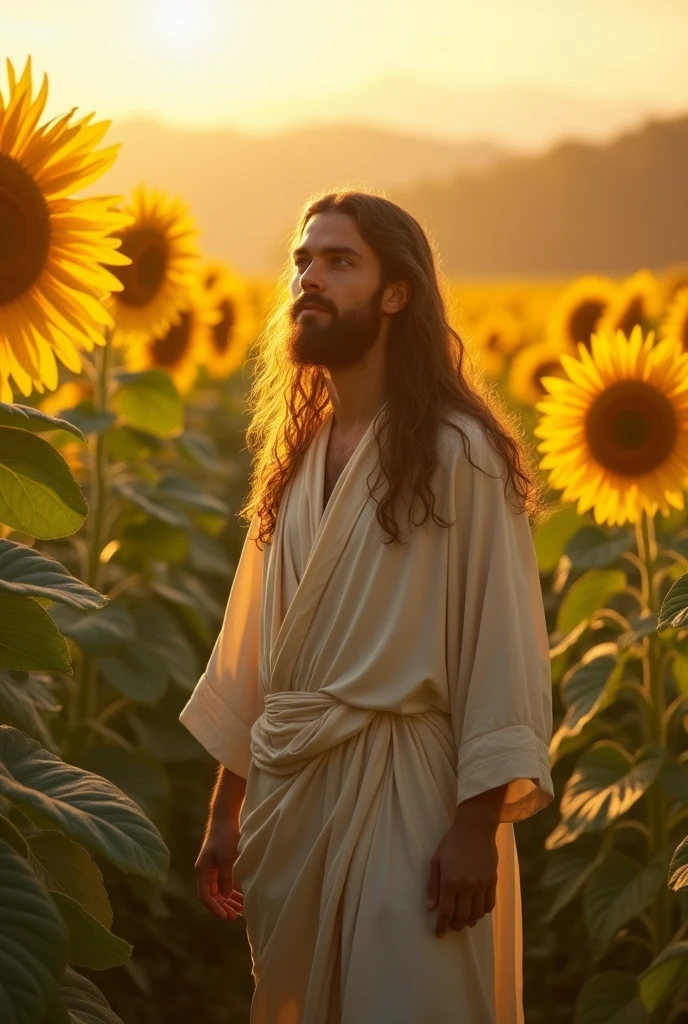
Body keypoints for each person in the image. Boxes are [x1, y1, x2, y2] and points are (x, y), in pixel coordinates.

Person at [179, 190, 554, 1024]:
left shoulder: (460, 455)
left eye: (339, 262)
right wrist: (224, 809)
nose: (309, 278)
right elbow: (256, 641)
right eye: (303, 261)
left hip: (414, 802)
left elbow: (503, 643)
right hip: (295, 793)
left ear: (397, 293)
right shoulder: (295, 459)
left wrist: (474, 828)